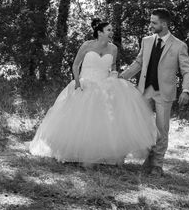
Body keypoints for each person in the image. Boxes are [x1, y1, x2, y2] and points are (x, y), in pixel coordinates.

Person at [29, 19, 156, 165]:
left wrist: (114, 74)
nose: (111, 32)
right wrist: (77, 82)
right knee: (80, 120)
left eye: (111, 30)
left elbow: (113, 66)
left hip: (104, 86)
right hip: (85, 84)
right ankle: (75, 153)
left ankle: (104, 154)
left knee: (103, 121)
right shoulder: (87, 45)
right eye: (108, 30)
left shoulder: (113, 48)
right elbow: (76, 65)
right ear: (100, 32)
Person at [119, 8, 189, 176]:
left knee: (161, 129)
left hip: (164, 93)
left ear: (164, 24)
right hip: (144, 91)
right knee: (137, 124)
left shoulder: (179, 46)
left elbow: (187, 71)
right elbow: (138, 63)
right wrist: (121, 77)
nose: (150, 25)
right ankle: (136, 157)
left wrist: (186, 90)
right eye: (151, 21)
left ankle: (156, 165)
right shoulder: (146, 41)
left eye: (154, 22)